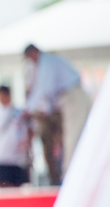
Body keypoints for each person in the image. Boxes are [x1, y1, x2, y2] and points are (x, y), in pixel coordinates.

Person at [24, 44, 92, 183]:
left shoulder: (47, 63)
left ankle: (72, 177)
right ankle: (72, 175)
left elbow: (44, 89)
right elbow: (49, 93)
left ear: (34, 52)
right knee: (72, 138)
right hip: (68, 99)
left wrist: (28, 109)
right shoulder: (45, 64)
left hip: (73, 98)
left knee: (73, 137)